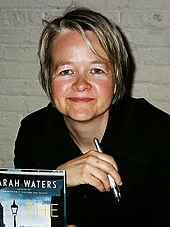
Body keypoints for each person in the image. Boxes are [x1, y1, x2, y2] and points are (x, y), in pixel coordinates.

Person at [14, 6, 170, 227]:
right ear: (48, 79)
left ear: (116, 80)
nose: (81, 85)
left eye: (96, 70)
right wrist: (58, 180)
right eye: (66, 71)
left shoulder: (159, 132)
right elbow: (19, 217)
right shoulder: (33, 131)